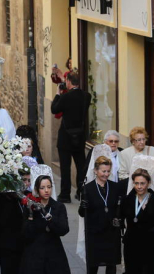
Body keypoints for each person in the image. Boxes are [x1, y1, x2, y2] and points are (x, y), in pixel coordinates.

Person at [51, 70, 91, 203]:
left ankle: (65, 194)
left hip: (65, 138)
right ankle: (81, 192)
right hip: (79, 138)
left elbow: (54, 109)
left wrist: (58, 94)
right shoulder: (87, 96)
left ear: (68, 81)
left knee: (65, 167)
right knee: (81, 166)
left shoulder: (65, 97)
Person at [78, 156, 121, 274]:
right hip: (95, 233)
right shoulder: (88, 188)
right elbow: (82, 213)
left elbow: (118, 207)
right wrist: (83, 205)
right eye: (103, 171)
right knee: (93, 266)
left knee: (111, 266)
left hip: (111, 232)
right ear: (96, 171)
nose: (106, 174)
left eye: (108, 171)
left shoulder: (115, 187)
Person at [19, 175, 70, 274]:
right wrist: (31, 214)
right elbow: (25, 234)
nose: (46, 190)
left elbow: (63, 230)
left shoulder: (58, 206)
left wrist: (49, 218)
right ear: (37, 190)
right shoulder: (31, 206)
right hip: (34, 255)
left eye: (49, 187)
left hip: (54, 254)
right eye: (42, 188)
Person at [121, 168, 154, 274]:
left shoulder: (153, 199)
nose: (139, 187)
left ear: (148, 183)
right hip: (131, 244)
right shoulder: (127, 199)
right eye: (136, 183)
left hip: (150, 244)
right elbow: (119, 218)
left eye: (142, 183)